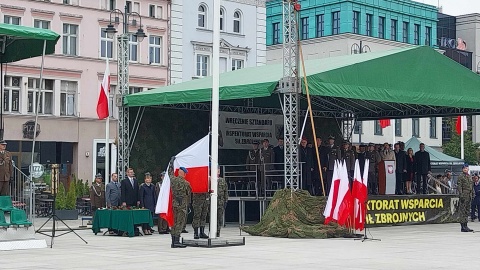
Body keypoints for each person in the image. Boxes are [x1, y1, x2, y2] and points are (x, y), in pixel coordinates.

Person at [169, 165, 191, 248]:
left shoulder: (173, 180)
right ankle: (177, 241)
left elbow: (169, 173)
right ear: (184, 173)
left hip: (175, 204)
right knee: (180, 222)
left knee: (174, 222)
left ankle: (173, 241)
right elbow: (188, 195)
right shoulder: (186, 183)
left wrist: (171, 164)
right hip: (182, 205)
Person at [457, 163, 474, 232]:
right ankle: (462, 226)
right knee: (462, 211)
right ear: (462, 169)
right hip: (464, 195)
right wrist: (461, 195)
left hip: (469, 195)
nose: (465, 169)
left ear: (468, 169)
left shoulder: (469, 176)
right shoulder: (461, 176)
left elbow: (471, 186)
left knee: (467, 211)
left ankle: (466, 225)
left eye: (466, 168)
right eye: (464, 168)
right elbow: (459, 186)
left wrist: (472, 194)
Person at [217, 168, 229, 237]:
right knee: (212, 218)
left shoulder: (222, 181)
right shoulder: (210, 179)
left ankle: (218, 231)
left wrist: (226, 201)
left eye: (218, 170)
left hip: (220, 202)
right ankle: (211, 230)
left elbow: (226, 192)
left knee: (219, 218)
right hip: (212, 202)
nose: (217, 171)